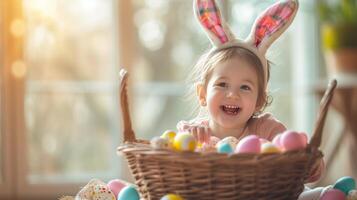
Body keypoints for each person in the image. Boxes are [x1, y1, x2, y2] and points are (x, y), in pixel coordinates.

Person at [177, 0, 323, 183]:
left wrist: (310, 162)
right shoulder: (194, 133)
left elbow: (302, 169)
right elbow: (170, 165)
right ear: (202, 94)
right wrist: (186, 141)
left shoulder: (268, 130)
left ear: (260, 101)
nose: (232, 94)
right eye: (222, 84)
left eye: (245, 87)